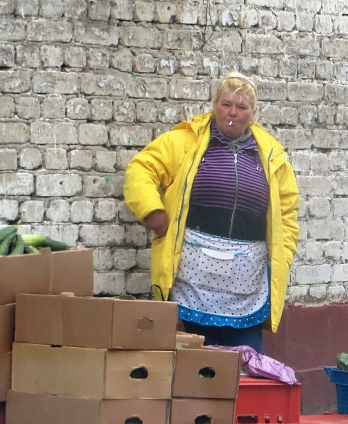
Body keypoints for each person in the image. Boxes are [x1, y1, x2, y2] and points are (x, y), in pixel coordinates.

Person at [124, 72, 299, 353]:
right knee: (201, 356)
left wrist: (284, 256)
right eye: (226, 104)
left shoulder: (272, 154)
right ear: (214, 104)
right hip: (195, 270)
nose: (233, 112)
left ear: (253, 113)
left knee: (249, 357)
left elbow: (288, 211)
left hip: (247, 275)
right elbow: (141, 169)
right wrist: (152, 212)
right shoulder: (184, 141)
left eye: (242, 107)